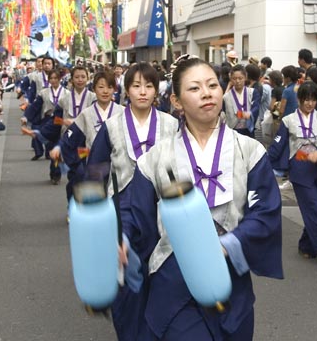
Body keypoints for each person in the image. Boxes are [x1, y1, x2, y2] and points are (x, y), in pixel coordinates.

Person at [121, 56, 283, 340]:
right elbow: (135, 215)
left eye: (212, 85)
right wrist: (121, 239)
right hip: (174, 276)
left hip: (229, 275)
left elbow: (265, 213)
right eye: (194, 88)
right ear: (176, 101)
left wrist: (225, 246)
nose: (207, 93)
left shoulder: (250, 151)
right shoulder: (154, 159)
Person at [87, 62, 179, 340]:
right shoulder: (112, 126)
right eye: (136, 85)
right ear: (126, 90)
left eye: (149, 86)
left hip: (161, 208)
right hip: (122, 208)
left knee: (161, 274)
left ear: (156, 90)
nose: (142, 92)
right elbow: (96, 168)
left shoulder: (171, 123)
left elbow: (181, 166)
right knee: (127, 278)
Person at [268, 81, 317, 267]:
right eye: (306, 99)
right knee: (313, 205)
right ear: (299, 100)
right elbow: (277, 145)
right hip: (299, 167)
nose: (309, 103)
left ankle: (306, 245)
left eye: (313, 99)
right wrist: (263, 161)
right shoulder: (288, 120)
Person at [50, 70, 124, 202]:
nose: (105, 91)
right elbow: (70, 140)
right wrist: (74, 159)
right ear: (94, 89)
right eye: (101, 87)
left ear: (115, 89)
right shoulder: (86, 114)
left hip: (119, 166)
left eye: (109, 87)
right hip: (94, 166)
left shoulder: (123, 112)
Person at [223, 64, 261, 138]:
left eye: (240, 78)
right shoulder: (226, 97)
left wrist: (250, 113)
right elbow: (224, 114)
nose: (237, 81)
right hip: (233, 130)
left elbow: (256, 107)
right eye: (234, 78)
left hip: (248, 129)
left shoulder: (252, 92)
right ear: (230, 79)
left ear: (245, 77)